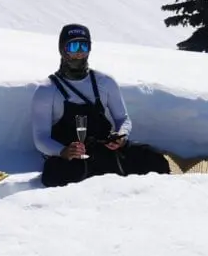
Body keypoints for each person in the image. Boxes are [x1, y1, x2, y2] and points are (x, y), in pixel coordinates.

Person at [31, 23, 170, 187]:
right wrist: (63, 151)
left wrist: (121, 136)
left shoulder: (105, 82)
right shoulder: (47, 91)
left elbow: (123, 118)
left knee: (155, 159)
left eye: (84, 46)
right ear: (62, 49)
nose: (79, 53)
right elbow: (41, 138)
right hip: (72, 160)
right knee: (54, 175)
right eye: (73, 46)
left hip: (105, 151)